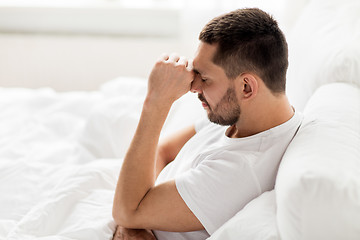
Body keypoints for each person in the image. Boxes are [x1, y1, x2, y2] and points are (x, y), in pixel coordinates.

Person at [112, 8, 302, 240]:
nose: (194, 86)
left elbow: (126, 211)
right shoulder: (242, 118)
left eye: (206, 78)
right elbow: (163, 151)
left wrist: (156, 103)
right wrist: (138, 218)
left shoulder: (238, 171)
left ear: (246, 87)